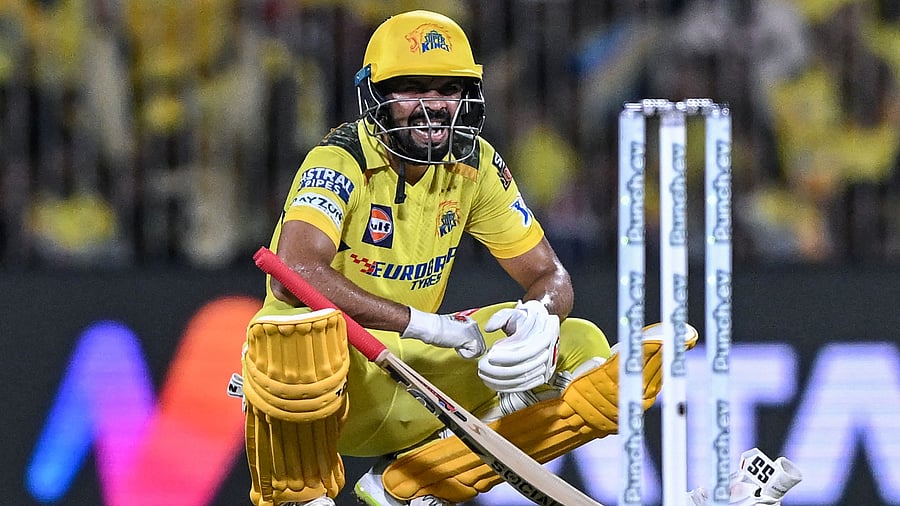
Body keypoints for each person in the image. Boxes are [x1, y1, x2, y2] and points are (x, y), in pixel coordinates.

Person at [238, 10, 801, 506]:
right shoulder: (338, 161)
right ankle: (299, 498)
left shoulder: (476, 165)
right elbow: (297, 273)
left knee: (577, 341)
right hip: (325, 398)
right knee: (293, 332)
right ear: (375, 95)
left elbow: (548, 276)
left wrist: (538, 318)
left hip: (413, 378)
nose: (433, 107)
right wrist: (426, 326)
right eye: (412, 88)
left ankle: (414, 484)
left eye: (448, 89)